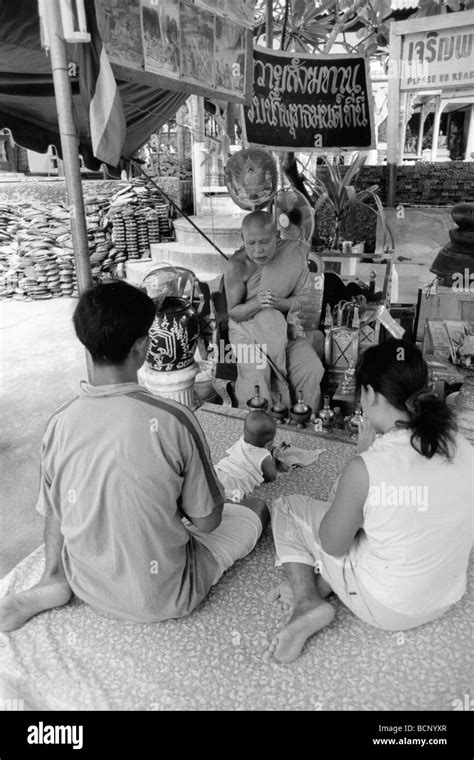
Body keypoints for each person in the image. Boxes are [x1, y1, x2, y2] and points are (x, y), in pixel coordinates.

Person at [0, 281, 269, 631]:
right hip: (165, 593)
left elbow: (54, 509)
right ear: (142, 347)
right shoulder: (175, 420)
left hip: (89, 582)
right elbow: (208, 522)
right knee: (257, 508)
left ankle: (53, 576)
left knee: (57, 500)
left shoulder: (58, 424)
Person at [266, 340, 473, 664]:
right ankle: (320, 587)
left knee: (288, 507)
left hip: (388, 608)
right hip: (445, 597)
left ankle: (308, 599)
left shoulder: (368, 468)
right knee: (380, 520)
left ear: (371, 395)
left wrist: (362, 457)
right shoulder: (462, 444)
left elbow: (333, 544)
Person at [224, 210, 324, 411]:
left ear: (277, 237)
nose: (258, 250)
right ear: (242, 239)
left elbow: (301, 300)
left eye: (264, 242)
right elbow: (234, 313)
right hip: (246, 333)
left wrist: (279, 304)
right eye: (251, 243)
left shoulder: (293, 255)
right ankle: (260, 432)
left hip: (285, 330)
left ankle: (303, 423)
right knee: (257, 380)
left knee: (311, 368)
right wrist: (258, 304)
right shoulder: (237, 265)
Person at [215, 411, 277, 503]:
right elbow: (271, 476)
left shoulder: (241, 441)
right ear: (269, 443)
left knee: (207, 488)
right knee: (226, 502)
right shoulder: (264, 456)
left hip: (219, 470)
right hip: (236, 482)